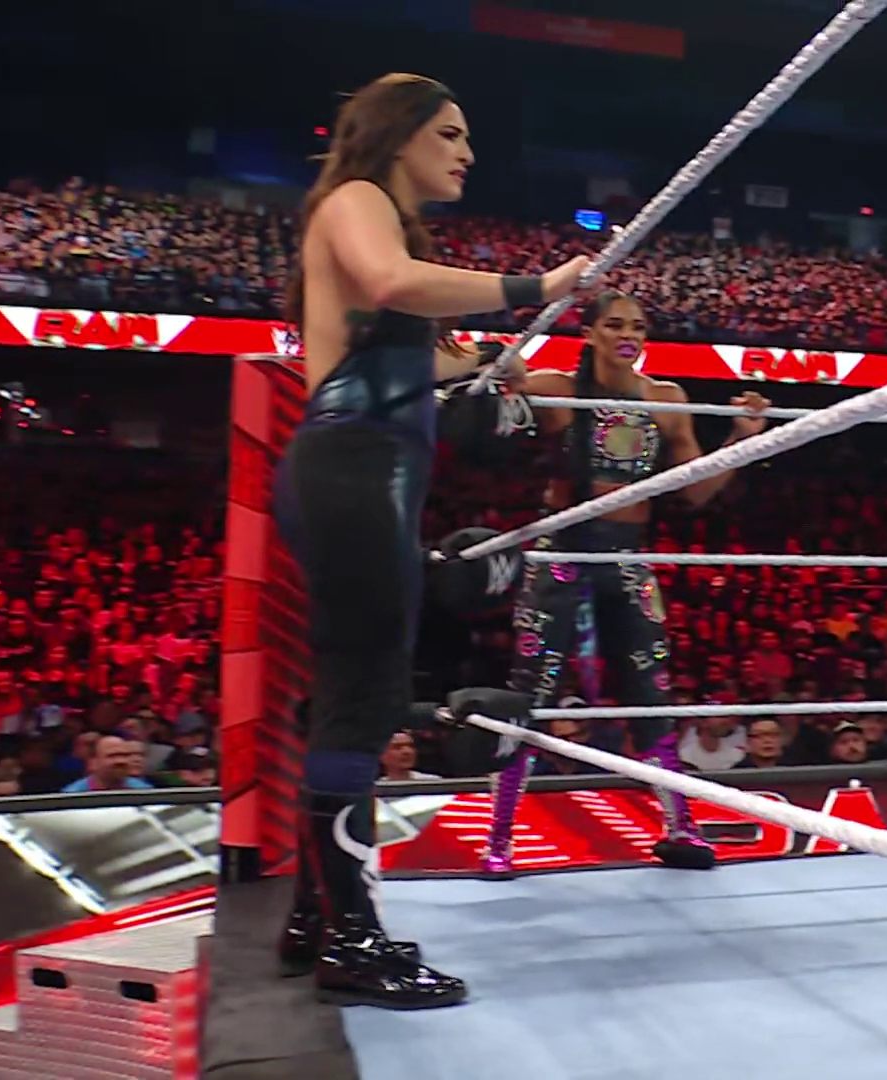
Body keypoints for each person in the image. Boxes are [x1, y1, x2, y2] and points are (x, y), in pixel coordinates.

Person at [273, 72, 589, 1008]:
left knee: (353, 693)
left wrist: (493, 365)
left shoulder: (373, 231)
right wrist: (537, 285)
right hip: (354, 472)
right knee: (365, 699)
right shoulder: (357, 198)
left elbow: (425, 357)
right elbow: (393, 282)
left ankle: (315, 918)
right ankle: (351, 942)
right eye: (449, 133)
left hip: (365, 473)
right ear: (399, 133)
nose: (467, 153)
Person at [481, 291, 769, 875]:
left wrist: (742, 437)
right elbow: (494, 412)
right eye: (614, 324)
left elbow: (695, 490)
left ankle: (679, 826)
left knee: (651, 692)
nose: (627, 334)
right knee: (532, 693)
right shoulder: (559, 389)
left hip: (628, 558)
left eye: (637, 325)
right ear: (589, 333)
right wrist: (503, 375)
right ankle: (500, 838)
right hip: (561, 554)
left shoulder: (666, 400)